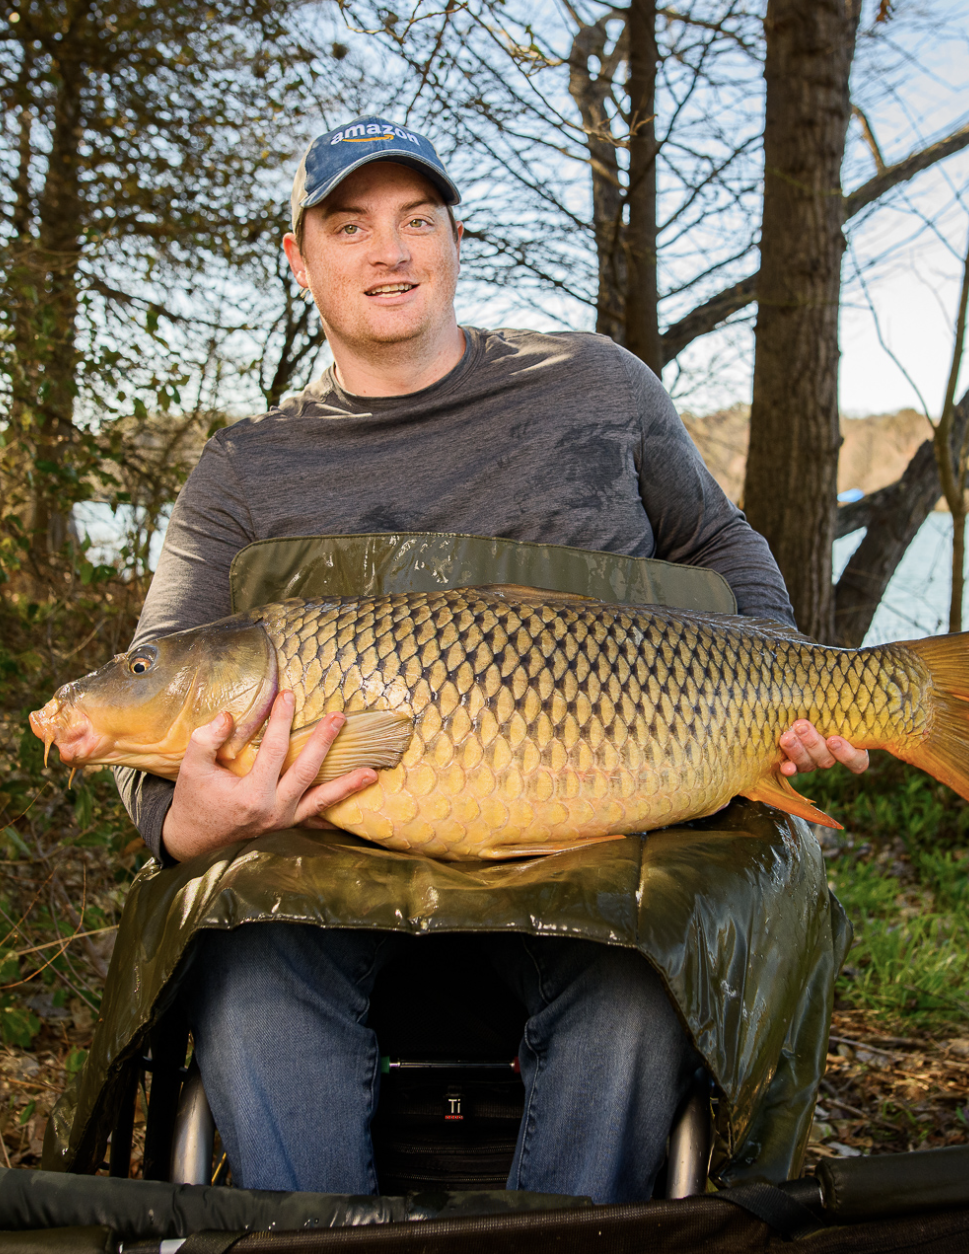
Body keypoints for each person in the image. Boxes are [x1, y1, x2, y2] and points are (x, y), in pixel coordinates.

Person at [110, 116, 867, 1204]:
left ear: (455, 242)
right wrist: (184, 823)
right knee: (248, 985)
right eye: (352, 225)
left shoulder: (594, 384)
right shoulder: (243, 471)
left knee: (636, 998)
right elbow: (155, 685)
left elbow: (716, 541)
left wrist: (779, 679)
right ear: (300, 258)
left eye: (419, 220)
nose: (392, 251)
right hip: (332, 859)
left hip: (603, 844)